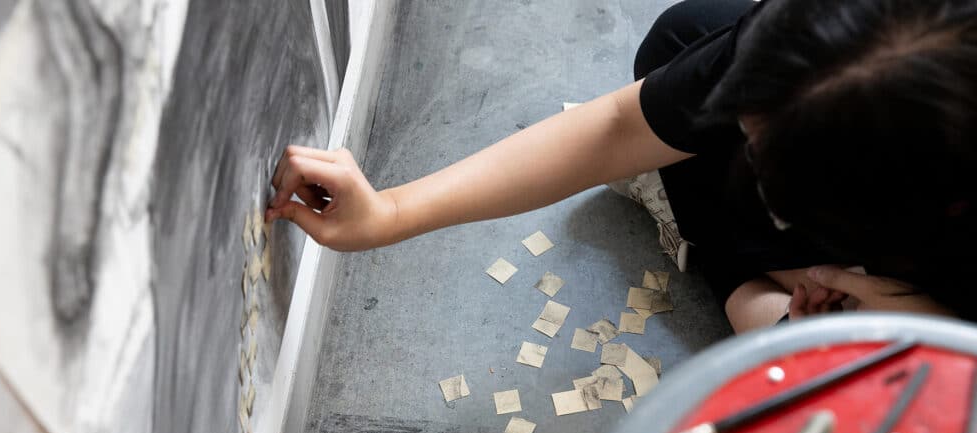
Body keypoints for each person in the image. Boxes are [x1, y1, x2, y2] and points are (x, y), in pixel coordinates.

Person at [265, 0, 976, 333]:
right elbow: (615, 126)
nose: (745, 149)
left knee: (841, 345)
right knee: (678, 43)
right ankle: (780, 299)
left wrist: (885, 317)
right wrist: (389, 213)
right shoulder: (841, 42)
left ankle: (797, 304)